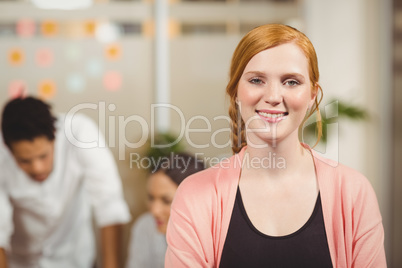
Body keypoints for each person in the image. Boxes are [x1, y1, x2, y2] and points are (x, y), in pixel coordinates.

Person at [165, 24, 386, 267]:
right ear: (236, 91)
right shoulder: (195, 195)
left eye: (291, 82)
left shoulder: (353, 192)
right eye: (257, 80)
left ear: (312, 94)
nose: (272, 96)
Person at [0, 97, 131, 268]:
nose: (37, 168)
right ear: (7, 148)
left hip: (76, 258)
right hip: (21, 261)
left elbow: (109, 207)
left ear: (54, 135)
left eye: (43, 156)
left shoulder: (80, 133)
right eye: (24, 160)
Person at [125, 153, 204, 268]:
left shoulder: (214, 240)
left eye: (166, 201)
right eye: (151, 198)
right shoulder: (145, 227)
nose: (155, 211)